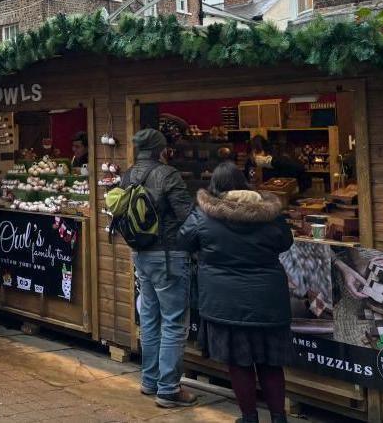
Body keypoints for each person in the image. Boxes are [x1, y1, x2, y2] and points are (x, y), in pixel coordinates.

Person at [178, 163, 293, 423]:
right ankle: (278, 417)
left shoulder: (204, 215)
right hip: (268, 298)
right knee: (271, 362)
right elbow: (286, 241)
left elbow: (184, 240)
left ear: (215, 187)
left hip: (225, 301)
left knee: (239, 362)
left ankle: (249, 417)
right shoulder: (270, 213)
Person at [123, 128, 196, 408]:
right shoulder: (168, 175)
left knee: (150, 319)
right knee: (175, 322)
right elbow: (186, 216)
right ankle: (168, 389)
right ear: (160, 149)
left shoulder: (128, 175)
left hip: (140, 255)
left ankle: (150, 380)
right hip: (168, 256)